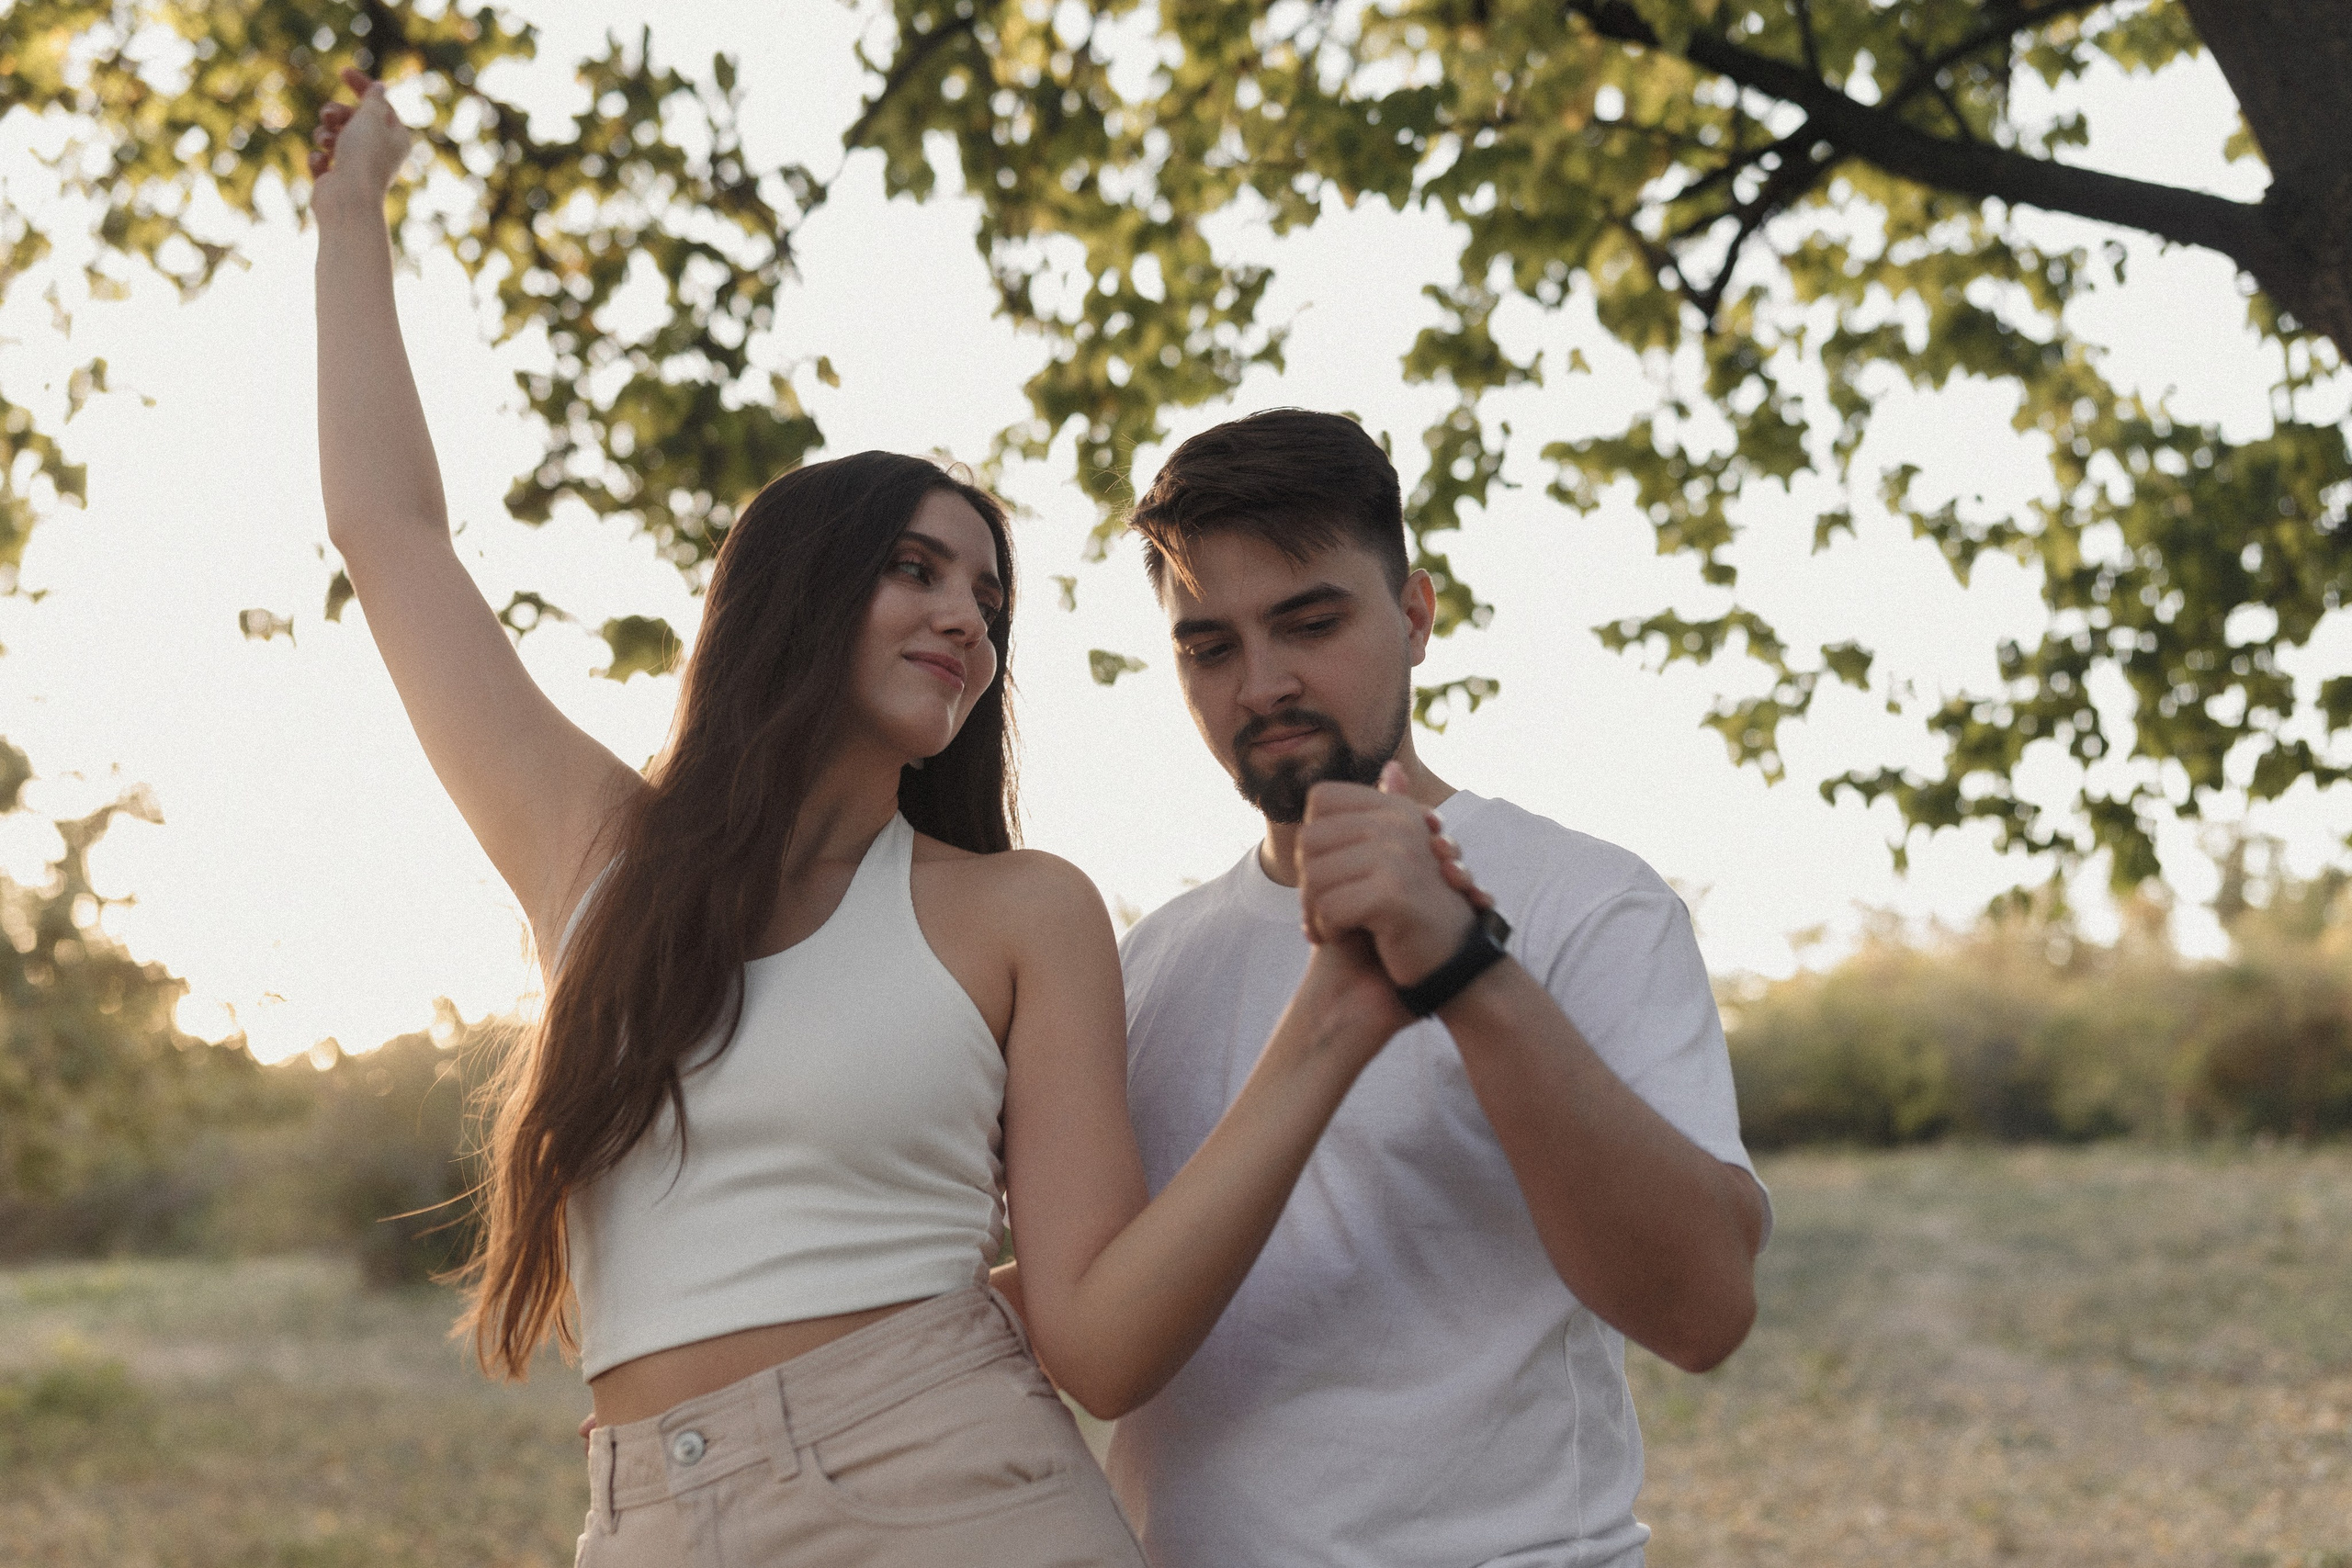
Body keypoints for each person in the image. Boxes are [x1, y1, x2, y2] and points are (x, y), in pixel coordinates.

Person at [308, 77, 1477, 1568]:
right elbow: (389, 536)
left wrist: (1334, 1021)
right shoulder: (596, 855)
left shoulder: (1019, 910)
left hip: (951, 1491)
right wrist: (351, 211)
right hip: (647, 1518)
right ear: (798, 589)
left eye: (987, 598)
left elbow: (1101, 1342)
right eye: (918, 570)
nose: (964, 618)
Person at [1005, 409, 1771, 1568]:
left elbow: (1702, 1311)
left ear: (1415, 617)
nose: (1261, 684)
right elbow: (1083, 1308)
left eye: (1308, 623)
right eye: (1208, 647)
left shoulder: (1587, 902)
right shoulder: (1149, 963)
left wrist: (1463, 967)